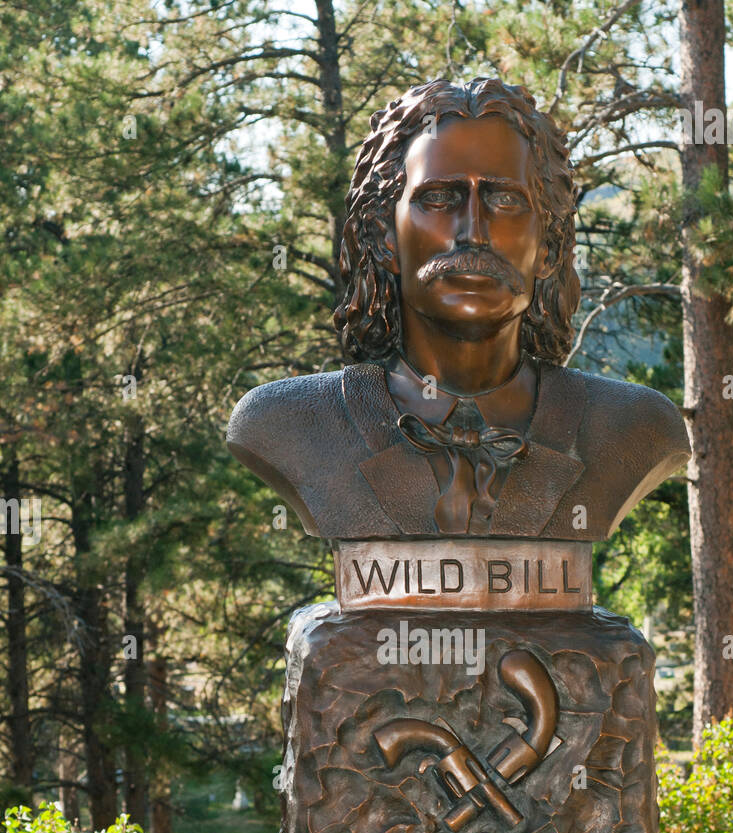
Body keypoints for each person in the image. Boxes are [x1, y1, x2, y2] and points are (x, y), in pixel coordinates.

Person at [227, 77, 690, 540]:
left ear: (547, 247)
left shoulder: (635, 428)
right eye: (438, 198)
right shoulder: (284, 423)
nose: (474, 231)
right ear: (385, 236)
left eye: (505, 200)